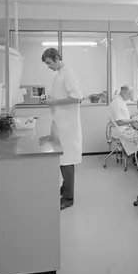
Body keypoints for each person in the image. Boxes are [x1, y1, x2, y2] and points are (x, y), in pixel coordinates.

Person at [41, 48, 83, 210]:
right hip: (60, 123)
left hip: (68, 126)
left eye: (49, 63)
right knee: (62, 159)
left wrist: (55, 102)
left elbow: (77, 97)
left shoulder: (68, 73)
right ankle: (65, 188)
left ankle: (68, 198)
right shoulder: (59, 74)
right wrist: (50, 100)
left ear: (57, 58)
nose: (48, 66)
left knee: (67, 161)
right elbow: (61, 96)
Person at [109, 85, 138, 157]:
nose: (131, 96)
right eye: (130, 94)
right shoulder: (117, 103)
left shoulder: (120, 101)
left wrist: (133, 116)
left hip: (119, 128)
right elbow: (119, 122)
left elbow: (122, 116)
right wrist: (133, 120)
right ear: (123, 92)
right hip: (121, 130)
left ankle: (136, 155)